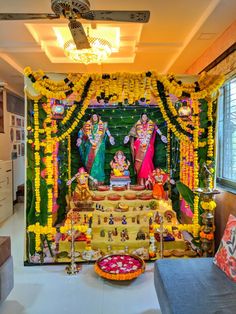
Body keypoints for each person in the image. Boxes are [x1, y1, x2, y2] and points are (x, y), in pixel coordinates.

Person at [124, 113, 167, 185]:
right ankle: (141, 182)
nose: (144, 118)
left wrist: (162, 135)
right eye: (143, 116)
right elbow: (131, 132)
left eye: (145, 116)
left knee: (147, 160)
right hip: (139, 145)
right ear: (141, 117)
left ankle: (149, 181)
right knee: (140, 162)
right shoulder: (137, 124)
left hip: (149, 146)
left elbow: (157, 129)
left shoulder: (151, 124)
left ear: (147, 117)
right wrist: (127, 137)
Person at [77, 114, 115, 184]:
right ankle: (91, 180)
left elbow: (107, 132)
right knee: (88, 160)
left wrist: (110, 137)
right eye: (93, 116)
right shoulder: (87, 125)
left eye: (96, 116)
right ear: (91, 118)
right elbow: (81, 132)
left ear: (98, 118)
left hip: (100, 146)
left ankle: (100, 181)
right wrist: (79, 138)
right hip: (90, 145)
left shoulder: (102, 125)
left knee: (99, 162)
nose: (94, 118)